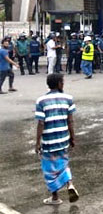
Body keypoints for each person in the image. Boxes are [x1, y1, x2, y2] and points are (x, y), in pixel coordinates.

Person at [35, 73, 80, 205]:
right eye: (63, 82)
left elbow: (41, 123)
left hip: (49, 141)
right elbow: (70, 121)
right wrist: (72, 138)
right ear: (60, 83)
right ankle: (70, 184)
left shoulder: (41, 101)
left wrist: (37, 142)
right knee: (63, 163)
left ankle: (55, 197)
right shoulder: (68, 98)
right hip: (63, 139)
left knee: (49, 168)